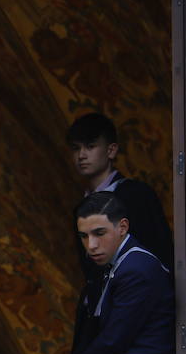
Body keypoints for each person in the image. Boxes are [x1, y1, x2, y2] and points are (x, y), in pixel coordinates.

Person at [65, 192, 175, 354]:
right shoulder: (121, 263)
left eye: (99, 233)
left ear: (122, 227)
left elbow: (114, 341)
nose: (91, 245)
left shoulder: (136, 268)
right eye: (84, 236)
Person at [67, 112, 173, 271]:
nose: (81, 155)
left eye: (90, 146)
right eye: (76, 148)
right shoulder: (80, 207)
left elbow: (156, 255)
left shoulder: (135, 195)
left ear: (111, 150)